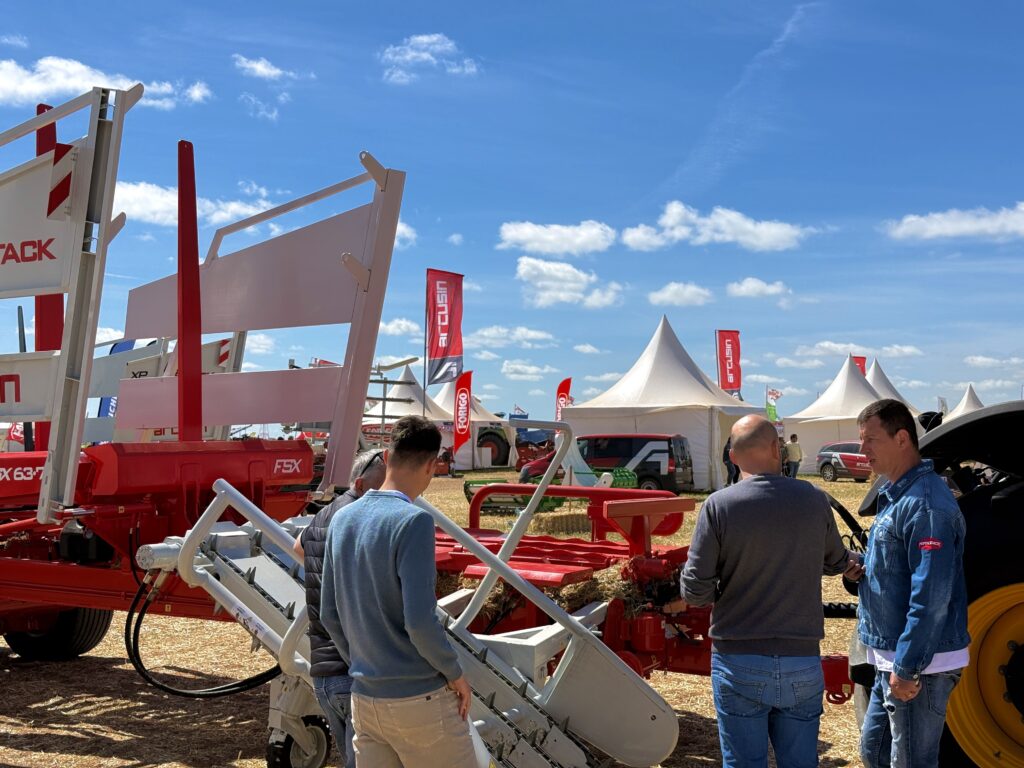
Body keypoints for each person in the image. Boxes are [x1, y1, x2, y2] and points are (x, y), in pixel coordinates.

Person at [671, 414, 862, 768]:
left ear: (732, 457)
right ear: (778, 449)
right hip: (801, 658)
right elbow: (836, 560)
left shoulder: (719, 506)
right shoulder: (814, 499)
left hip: (738, 659)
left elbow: (695, 591)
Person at [320, 416, 476, 768]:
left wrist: (363, 663)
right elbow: (419, 621)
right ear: (432, 466)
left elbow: (329, 613)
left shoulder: (342, 519)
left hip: (365, 698)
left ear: (387, 457)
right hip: (420, 699)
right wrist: (455, 674)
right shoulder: (415, 521)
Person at [852, 399, 969, 768]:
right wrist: (864, 568)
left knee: (912, 761)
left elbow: (931, 596)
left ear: (901, 438)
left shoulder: (926, 505)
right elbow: (903, 568)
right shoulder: (899, 495)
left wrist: (907, 667)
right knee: (874, 752)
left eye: (870, 439)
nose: (862, 449)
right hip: (893, 656)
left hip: (919, 666)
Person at [292, 450, 387, 768]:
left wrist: (322, 574)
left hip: (324, 675)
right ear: (359, 484)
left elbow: (298, 547)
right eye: (379, 490)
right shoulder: (358, 520)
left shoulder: (323, 515)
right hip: (353, 671)